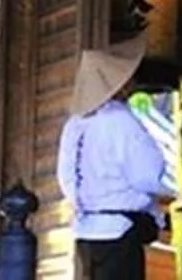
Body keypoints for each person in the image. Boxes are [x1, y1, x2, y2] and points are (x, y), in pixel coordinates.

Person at [58, 37, 170, 280]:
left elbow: (66, 178)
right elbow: (147, 174)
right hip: (120, 231)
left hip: (86, 230)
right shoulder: (120, 121)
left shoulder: (74, 124)